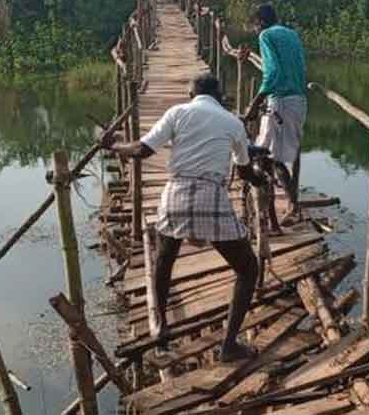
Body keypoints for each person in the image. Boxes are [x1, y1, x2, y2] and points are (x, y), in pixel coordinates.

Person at [102, 73, 262, 362]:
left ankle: (161, 326)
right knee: (248, 270)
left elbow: (140, 149)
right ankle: (229, 346)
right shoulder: (233, 122)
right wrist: (259, 179)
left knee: (165, 260)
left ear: (192, 95)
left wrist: (114, 146)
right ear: (220, 95)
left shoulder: (178, 112)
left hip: (174, 193)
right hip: (210, 196)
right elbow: (244, 171)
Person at [243, 2, 307, 225]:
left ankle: (292, 207)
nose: (254, 31)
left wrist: (255, 102)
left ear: (259, 22)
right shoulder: (291, 34)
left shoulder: (266, 36)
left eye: (253, 26)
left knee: (273, 157)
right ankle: (275, 203)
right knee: (269, 154)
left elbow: (272, 73)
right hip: (298, 99)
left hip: (281, 100)